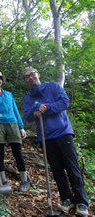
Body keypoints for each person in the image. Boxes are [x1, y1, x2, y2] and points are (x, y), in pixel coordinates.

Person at [23, 68, 89, 216]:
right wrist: (35, 109)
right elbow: (28, 116)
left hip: (63, 133)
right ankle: (67, 199)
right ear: (26, 81)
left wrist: (46, 108)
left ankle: (81, 202)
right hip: (46, 137)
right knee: (57, 169)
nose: (30, 78)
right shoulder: (28, 98)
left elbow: (64, 102)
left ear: (38, 74)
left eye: (32, 74)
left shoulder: (53, 86)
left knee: (72, 168)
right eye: (26, 77)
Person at [0, 70, 29, 192]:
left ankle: (24, 180)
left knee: (17, 152)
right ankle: (3, 180)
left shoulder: (8, 94)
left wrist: (21, 127)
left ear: (2, 80)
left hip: (12, 122)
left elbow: (15, 110)